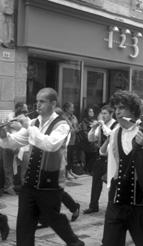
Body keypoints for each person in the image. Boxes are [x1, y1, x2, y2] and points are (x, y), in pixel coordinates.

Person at [0, 88, 84, 246]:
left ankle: (75, 242)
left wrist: (28, 126)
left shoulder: (62, 125)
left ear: (53, 103)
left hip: (50, 183)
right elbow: (14, 142)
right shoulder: (34, 122)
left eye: (42, 101)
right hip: (30, 183)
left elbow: (50, 144)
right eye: (37, 101)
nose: (37, 105)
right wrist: (4, 135)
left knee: (53, 219)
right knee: (24, 225)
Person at [100, 90, 143, 246]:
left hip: (141, 205)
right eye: (116, 108)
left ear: (133, 110)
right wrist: (112, 190)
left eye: (122, 108)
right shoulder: (115, 133)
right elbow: (111, 162)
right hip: (116, 202)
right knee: (109, 243)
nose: (117, 112)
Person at [83, 105, 118, 214]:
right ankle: (93, 206)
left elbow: (110, 135)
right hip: (100, 157)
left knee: (111, 184)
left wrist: (102, 124)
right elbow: (91, 138)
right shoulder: (101, 125)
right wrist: (93, 128)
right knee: (96, 182)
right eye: (102, 113)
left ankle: (112, 206)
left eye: (105, 113)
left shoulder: (116, 125)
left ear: (111, 114)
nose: (103, 116)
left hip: (111, 158)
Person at [63, 102, 81, 178]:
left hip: (73, 140)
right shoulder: (63, 117)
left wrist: (77, 129)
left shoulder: (74, 117)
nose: (73, 109)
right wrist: (74, 129)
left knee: (71, 157)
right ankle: (66, 173)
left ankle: (70, 171)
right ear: (66, 109)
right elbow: (66, 129)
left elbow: (76, 126)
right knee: (66, 157)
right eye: (71, 108)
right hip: (66, 141)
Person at [79, 106, 99, 174]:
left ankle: (90, 169)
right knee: (89, 156)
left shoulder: (94, 120)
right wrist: (90, 138)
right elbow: (84, 132)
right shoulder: (84, 121)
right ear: (87, 113)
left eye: (92, 111)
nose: (92, 112)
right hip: (88, 142)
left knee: (93, 156)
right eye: (90, 111)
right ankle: (87, 169)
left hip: (95, 141)